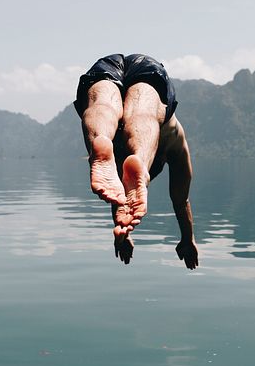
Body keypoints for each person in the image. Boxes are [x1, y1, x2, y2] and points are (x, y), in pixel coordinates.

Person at [74, 53, 198, 269]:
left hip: (116, 65)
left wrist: (124, 231)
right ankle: (139, 157)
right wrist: (187, 239)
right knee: (143, 114)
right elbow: (180, 201)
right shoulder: (175, 147)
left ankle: (102, 139)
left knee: (104, 104)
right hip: (147, 70)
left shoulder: (175, 147)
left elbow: (117, 195)